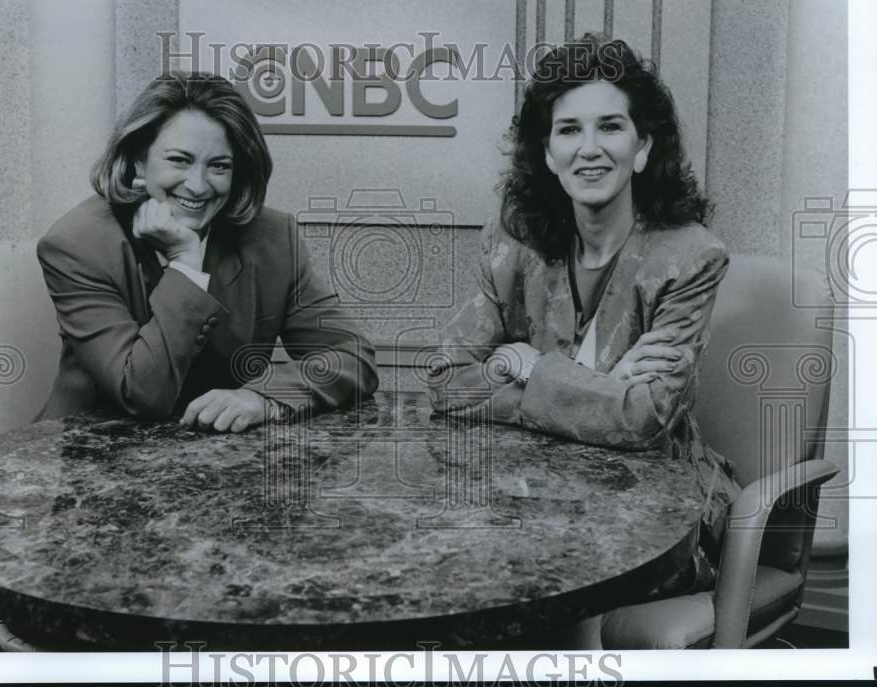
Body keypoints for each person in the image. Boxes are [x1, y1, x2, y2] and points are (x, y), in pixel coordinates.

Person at [426, 34, 741, 592]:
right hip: (535, 497)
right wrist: (601, 390)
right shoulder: (511, 241)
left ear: (643, 148)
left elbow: (644, 420)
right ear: (547, 154)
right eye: (569, 130)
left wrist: (527, 365)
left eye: (610, 127)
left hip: (659, 512)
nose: (589, 147)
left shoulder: (690, 255)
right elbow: (447, 382)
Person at [37, 72, 378, 432]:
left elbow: (353, 356)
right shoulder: (78, 244)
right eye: (179, 161)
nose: (198, 186)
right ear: (138, 161)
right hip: (91, 457)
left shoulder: (273, 239)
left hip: (219, 460)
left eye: (219, 166)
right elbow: (141, 394)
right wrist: (185, 263)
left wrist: (264, 398)